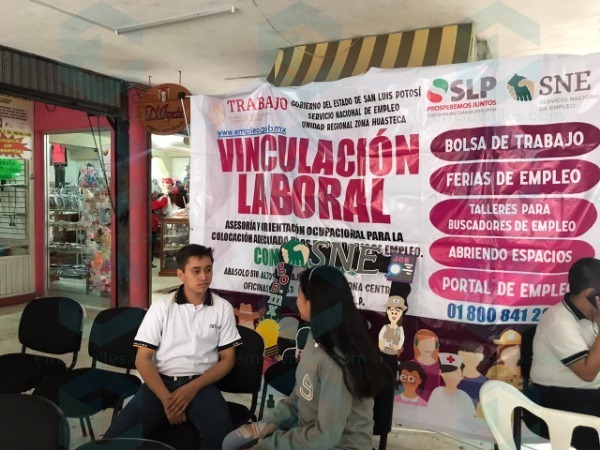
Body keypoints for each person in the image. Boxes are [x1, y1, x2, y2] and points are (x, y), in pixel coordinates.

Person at [222, 265, 383, 450]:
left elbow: (326, 435)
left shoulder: (337, 362)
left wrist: (270, 445)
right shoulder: (315, 336)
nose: (296, 300)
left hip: (337, 445)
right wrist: (272, 423)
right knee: (231, 442)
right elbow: (300, 395)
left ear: (312, 302)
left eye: (299, 294)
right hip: (306, 431)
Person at [104, 244, 242, 450]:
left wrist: (191, 388)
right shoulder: (161, 307)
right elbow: (143, 358)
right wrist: (167, 400)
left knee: (221, 439)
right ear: (180, 274)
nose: (204, 276)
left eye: (208, 270)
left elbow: (228, 359)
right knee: (114, 440)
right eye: (196, 271)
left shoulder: (222, 308)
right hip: (160, 384)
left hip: (201, 385)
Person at [531, 257, 600, 450]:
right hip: (566, 401)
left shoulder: (591, 316)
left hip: (588, 396)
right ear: (591, 294)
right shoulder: (558, 321)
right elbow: (587, 373)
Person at [428, 353, 476, 419]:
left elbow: (471, 419)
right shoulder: (437, 392)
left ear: (462, 376)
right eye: (447, 372)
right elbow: (430, 415)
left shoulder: (465, 397)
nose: (451, 376)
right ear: (441, 373)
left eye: (455, 372)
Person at [411, 329, 442, 400]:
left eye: (431, 344)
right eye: (424, 343)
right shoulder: (410, 364)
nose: (428, 347)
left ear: (436, 346)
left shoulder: (440, 367)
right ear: (416, 344)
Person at [151, 192, 168, 267]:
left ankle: (149, 262)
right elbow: (163, 203)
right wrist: (165, 197)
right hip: (152, 228)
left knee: (150, 246)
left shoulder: (150, 203)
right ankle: (149, 262)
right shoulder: (154, 203)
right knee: (151, 245)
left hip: (150, 227)